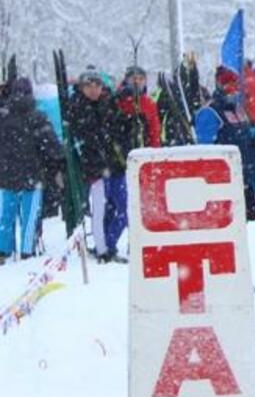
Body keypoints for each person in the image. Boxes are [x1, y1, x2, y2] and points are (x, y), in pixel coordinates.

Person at [64, 69, 131, 262]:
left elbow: (118, 130)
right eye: (89, 86)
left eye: (97, 86)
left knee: (123, 208)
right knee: (100, 210)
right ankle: (102, 250)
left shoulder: (109, 103)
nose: (94, 90)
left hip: (115, 165)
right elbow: (85, 138)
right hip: (96, 168)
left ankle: (109, 244)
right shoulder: (77, 106)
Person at [0, 78, 63, 264]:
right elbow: (51, 145)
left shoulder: (3, 117)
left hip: (6, 176)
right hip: (32, 176)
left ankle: (3, 250)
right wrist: (59, 162)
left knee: (6, 216)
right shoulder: (38, 117)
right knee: (29, 218)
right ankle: (27, 251)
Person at [209, 67, 255, 223]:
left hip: (246, 179)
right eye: (226, 85)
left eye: (234, 85)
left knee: (242, 228)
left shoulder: (239, 110)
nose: (232, 90)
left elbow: (247, 139)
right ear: (218, 85)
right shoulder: (211, 112)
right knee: (228, 227)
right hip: (224, 183)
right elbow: (206, 150)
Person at [119, 67, 161, 149]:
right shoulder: (119, 99)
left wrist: (155, 151)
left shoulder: (149, 103)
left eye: (141, 79)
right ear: (127, 80)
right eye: (134, 78)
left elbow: (154, 130)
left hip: (144, 149)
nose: (137, 82)